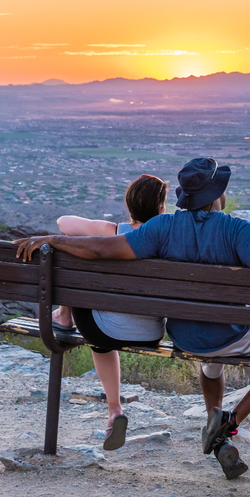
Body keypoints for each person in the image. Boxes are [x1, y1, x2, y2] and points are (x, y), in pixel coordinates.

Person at [14, 158, 250, 479]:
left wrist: (55, 239)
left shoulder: (160, 227)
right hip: (232, 335)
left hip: (185, 337)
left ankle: (213, 415)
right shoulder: (239, 230)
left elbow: (104, 249)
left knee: (210, 360)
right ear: (216, 195)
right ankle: (227, 423)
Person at [48, 174, 170, 451]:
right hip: (152, 333)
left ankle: (114, 408)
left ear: (129, 206)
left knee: (75, 261)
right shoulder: (169, 237)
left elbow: (63, 224)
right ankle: (113, 411)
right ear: (162, 208)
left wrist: (106, 227)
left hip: (103, 330)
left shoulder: (113, 231)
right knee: (105, 333)